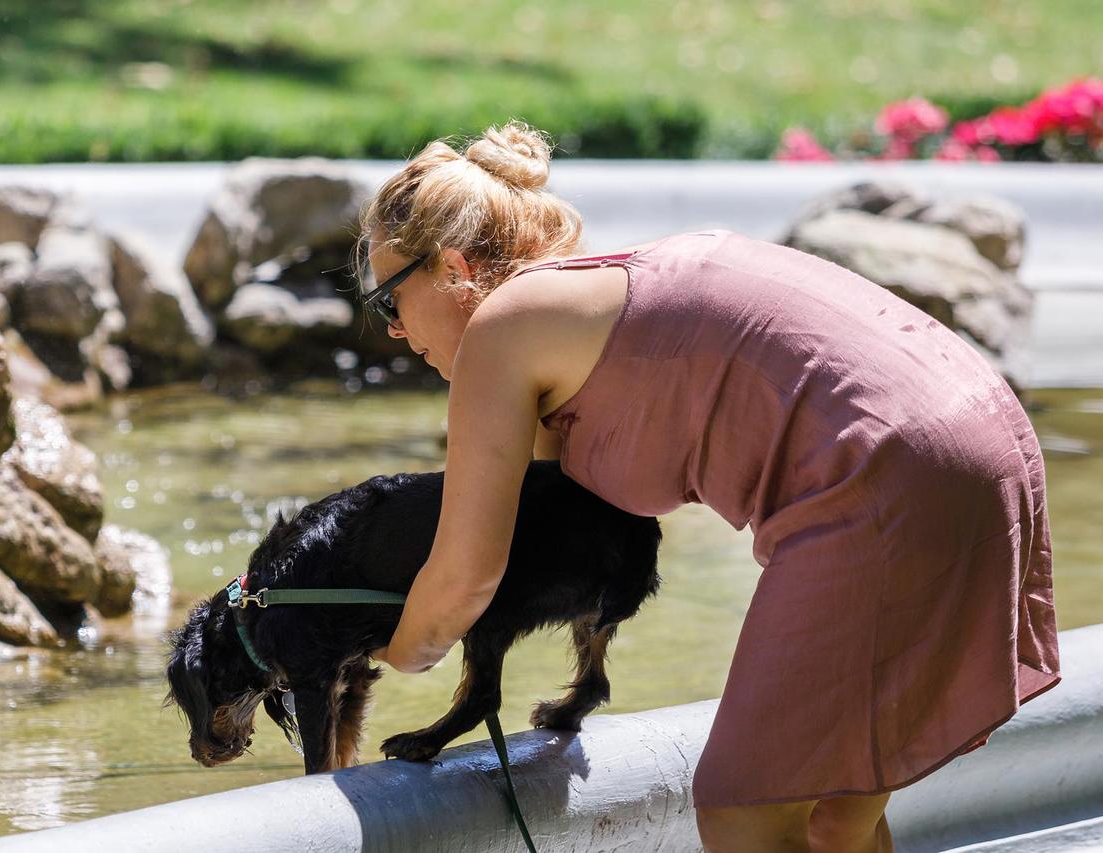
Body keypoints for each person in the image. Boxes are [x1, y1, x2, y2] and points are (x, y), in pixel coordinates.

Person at [359, 120, 1059, 852]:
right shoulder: (580, 303)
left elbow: (467, 576)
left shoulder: (503, 330)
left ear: (455, 267)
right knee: (834, 824)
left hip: (888, 476)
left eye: (388, 301)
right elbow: (558, 508)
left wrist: (386, 649)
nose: (395, 333)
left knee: (744, 808)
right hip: (984, 436)